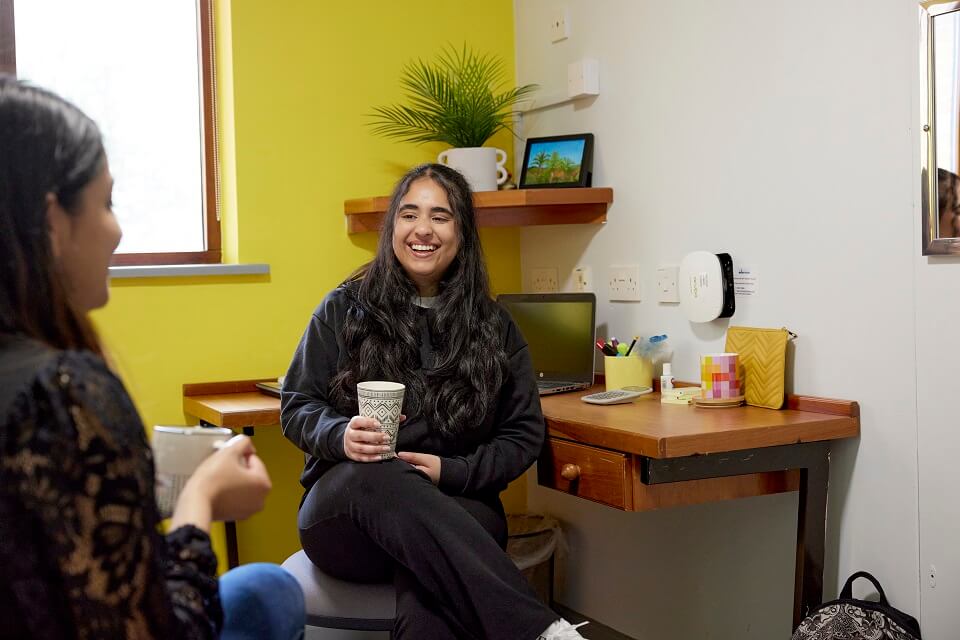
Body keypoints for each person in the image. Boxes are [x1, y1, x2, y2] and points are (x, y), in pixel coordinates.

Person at [0, 76, 305, 640]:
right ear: (51, 220)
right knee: (268, 592)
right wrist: (200, 498)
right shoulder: (64, 391)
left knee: (269, 587)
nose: (117, 231)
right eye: (107, 202)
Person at [282, 162, 588, 640]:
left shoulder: (494, 326)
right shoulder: (342, 308)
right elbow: (297, 404)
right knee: (377, 476)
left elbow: (523, 433)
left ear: (463, 232)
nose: (422, 229)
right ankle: (541, 630)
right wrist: (340, 435)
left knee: (433, 603)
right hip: (350, 514)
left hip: (458, 506)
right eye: (409, 214)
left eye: (440, 216)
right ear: (392, 229)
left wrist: (455, 472)